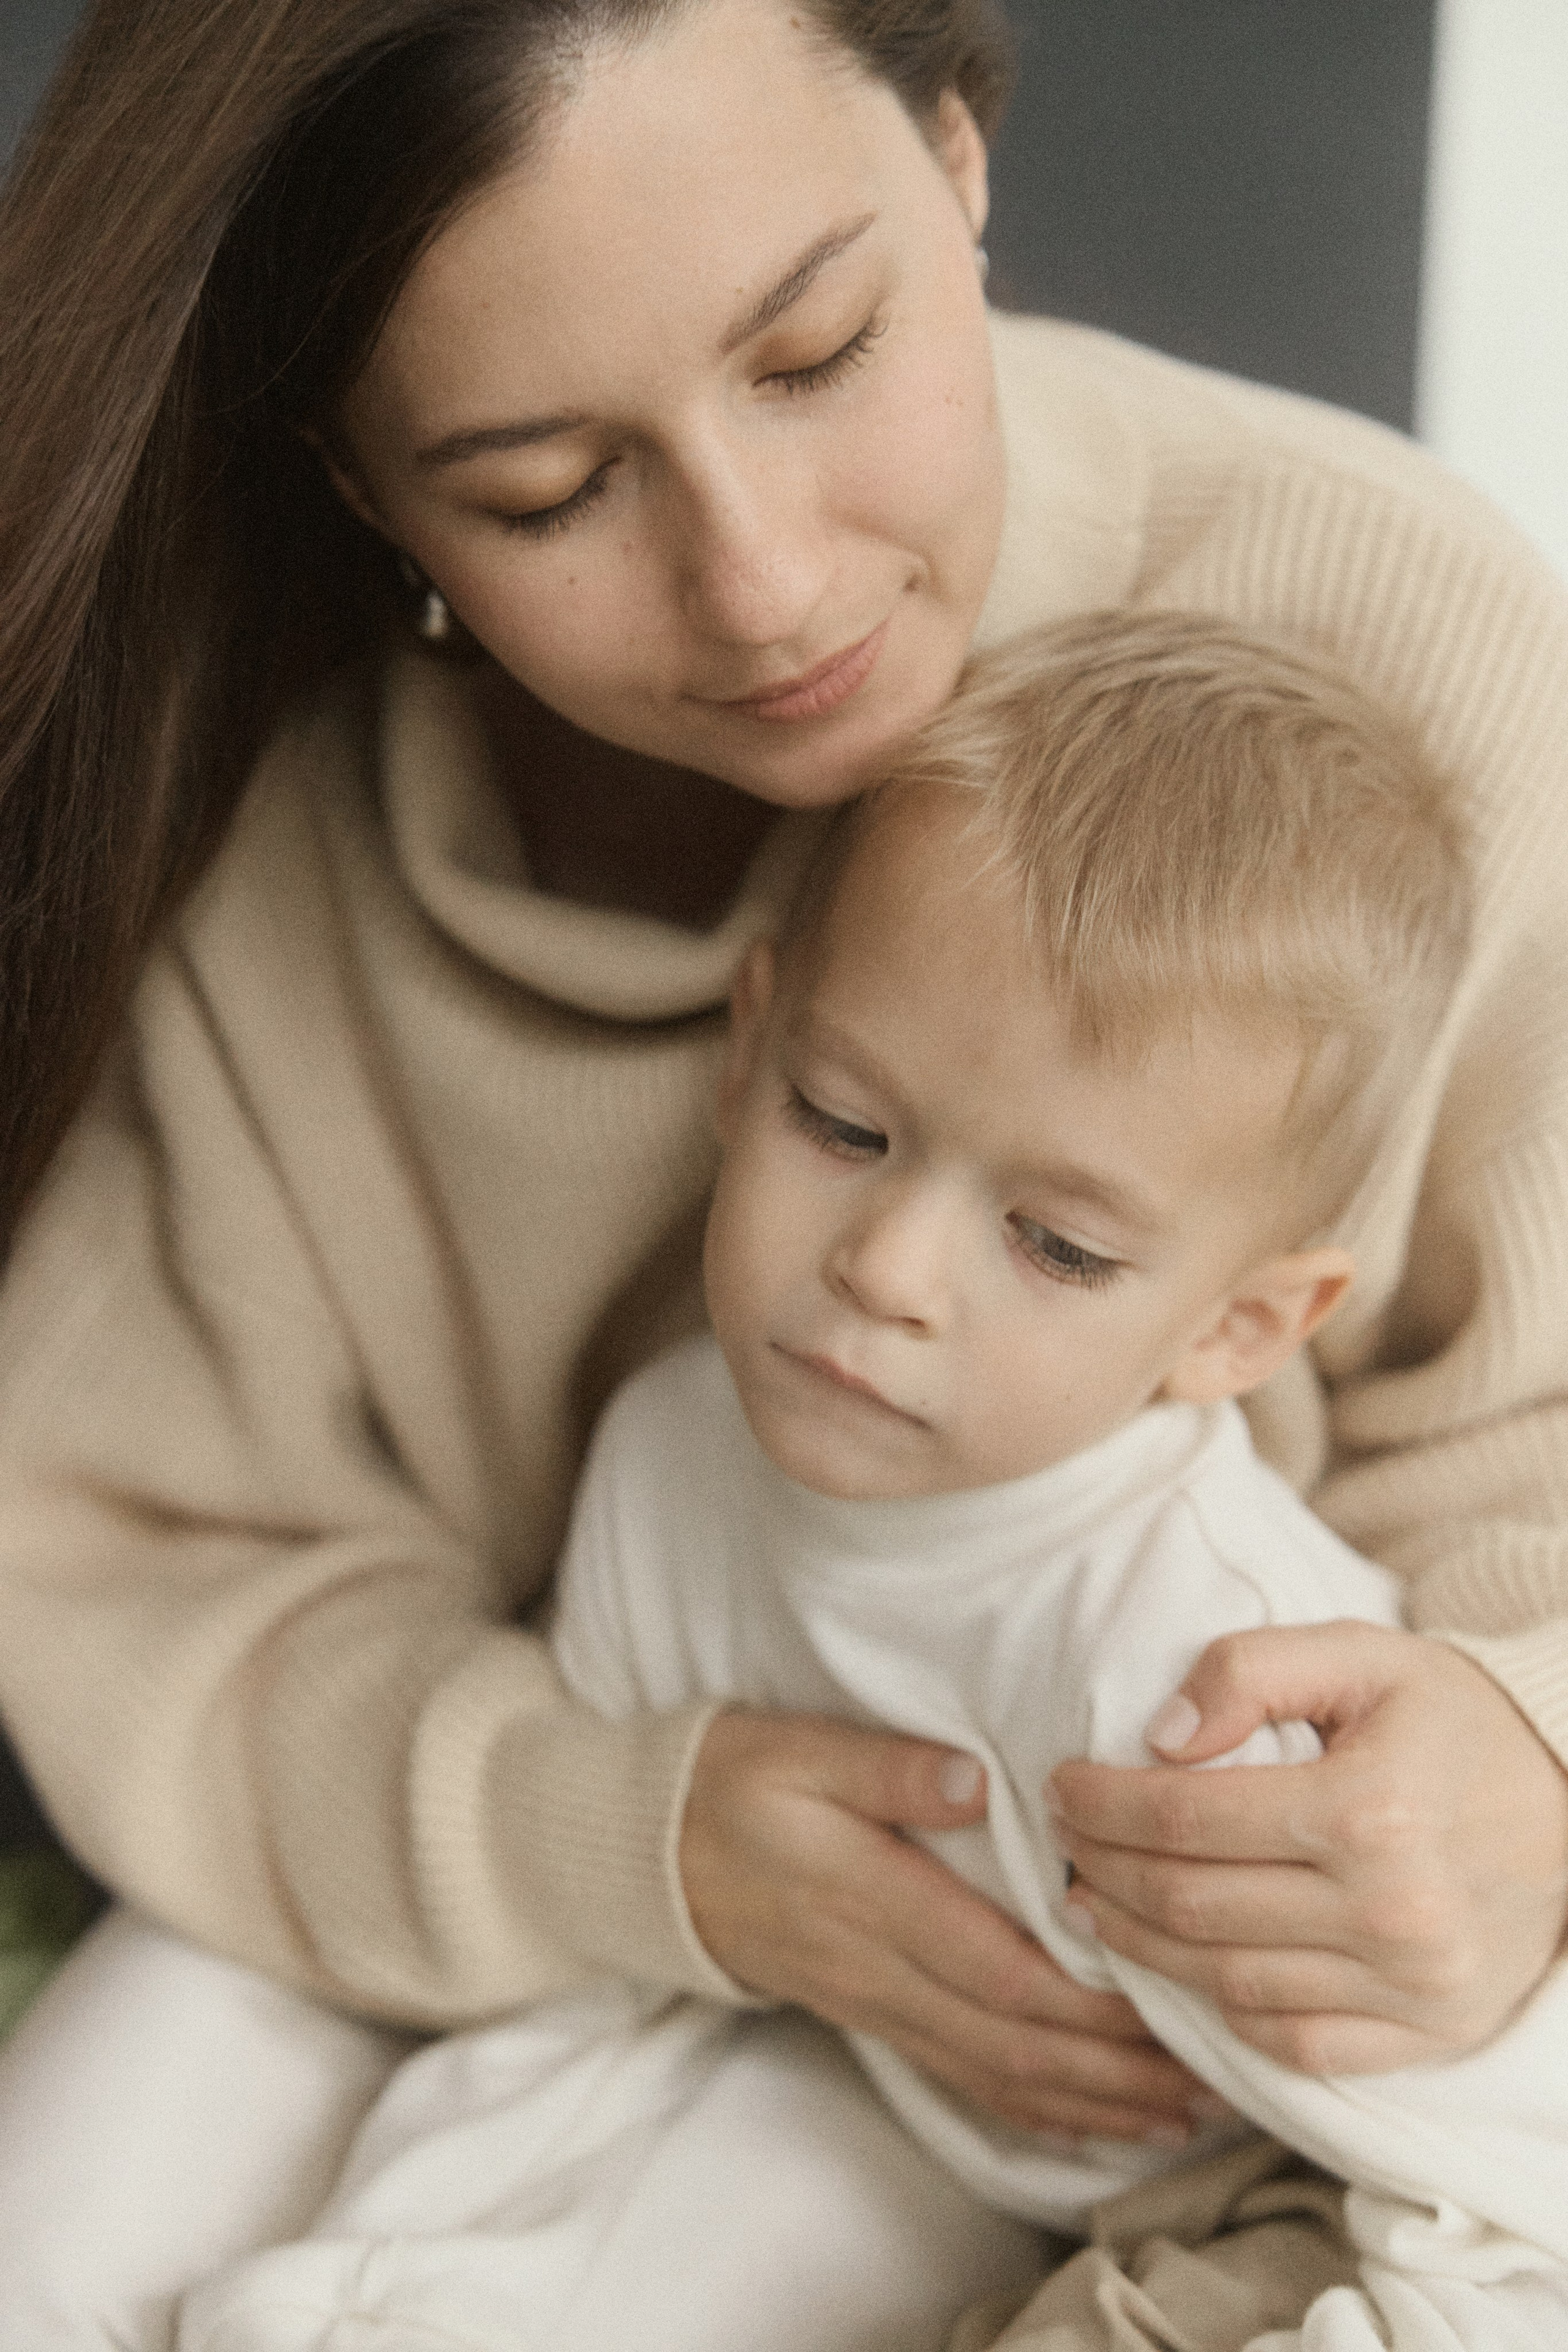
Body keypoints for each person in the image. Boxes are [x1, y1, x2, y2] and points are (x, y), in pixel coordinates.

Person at [0, 0, 1566, 2342]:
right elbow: (157, 1581)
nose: (762, 583)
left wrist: (1526, 1752)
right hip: (481, 1838)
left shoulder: (1399, 637)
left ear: (957, 155)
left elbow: (1530, 1428)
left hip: (1121, 2022)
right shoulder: (252, 817)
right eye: (548, 491)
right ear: (362, 484)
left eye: (820, 354)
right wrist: (635, 1833)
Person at [175, 617, 1568, 2352]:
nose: (887, 1270)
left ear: (1238, 1330)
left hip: (1297, 2186)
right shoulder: (673, 1453)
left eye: (1056, 1246)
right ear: (746, 1049)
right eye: (843, 1126)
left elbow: (1515, 2204)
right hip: (880, 2097)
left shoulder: (1188, 1683)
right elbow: (598, 2015)